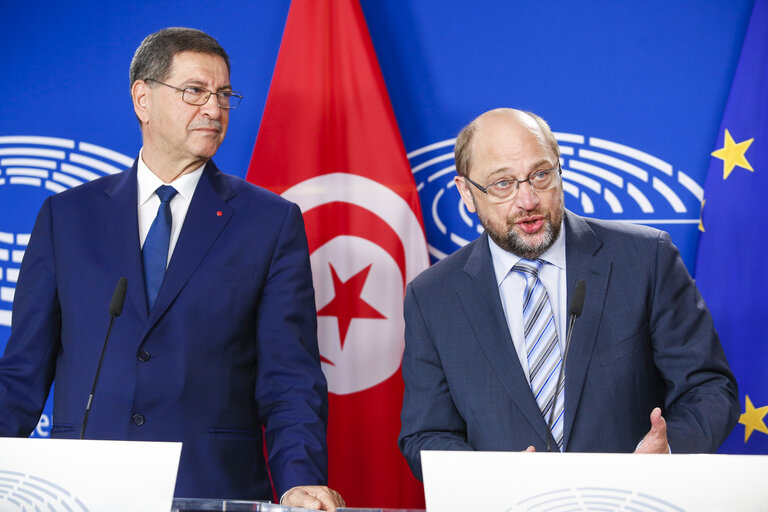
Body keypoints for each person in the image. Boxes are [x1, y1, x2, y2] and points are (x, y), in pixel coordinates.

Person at [0, 27, 344, 510]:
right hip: (84, 488)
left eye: (224, 94)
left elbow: (290, 375)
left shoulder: (269, 221)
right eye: (195, 91)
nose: (213, 108)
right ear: (143, 98)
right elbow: (22, 372)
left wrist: (299, 480)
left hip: (213, 486)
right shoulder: (67, 217)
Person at [398, 108, 739, 480]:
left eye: (541, 175)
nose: (528, 200)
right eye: (503, 184)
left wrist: (668, 450)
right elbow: (426, 435)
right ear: (467, 192)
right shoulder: (432, 297)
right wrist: (493, 479)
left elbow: (709, 388)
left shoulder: (645, 259)